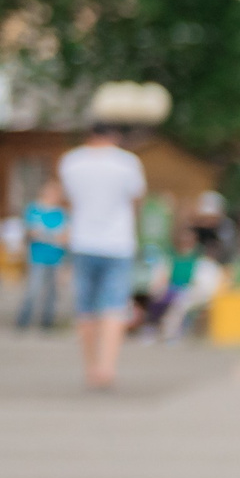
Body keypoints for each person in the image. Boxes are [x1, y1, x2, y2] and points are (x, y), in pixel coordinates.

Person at [60, 118, 149, 389]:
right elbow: (136, 200)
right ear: (116, 136)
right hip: (118, 243)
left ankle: (90, 367)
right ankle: (107, 367)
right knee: (114, 306)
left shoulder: (71, 162)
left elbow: (69, 201)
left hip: (82, 241)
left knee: (85, 308)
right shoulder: (127, 163)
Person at [16, 175, 68, 330]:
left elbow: (66, 237)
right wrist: (52, 235)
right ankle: (23, 320)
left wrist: (45, 234)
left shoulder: (61, 213)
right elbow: (30, 232)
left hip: (56, 257)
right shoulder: (34, 209)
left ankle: (47, 322)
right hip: (37, 256)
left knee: (52, 292)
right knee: (33, 289)